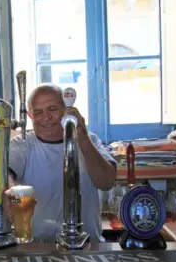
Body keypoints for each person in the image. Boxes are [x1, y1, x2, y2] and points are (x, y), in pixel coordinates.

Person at [6, 84, 117, 242]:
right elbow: (4, 173)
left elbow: (106, 182)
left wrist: (82, 137)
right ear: (30, 116)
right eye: (38, 112)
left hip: (87, 246)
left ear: (67, 109)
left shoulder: (89, 140)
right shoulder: (22, 144)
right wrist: (11, 192)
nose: (46, 117)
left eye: (52, 108)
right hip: (38, 248)